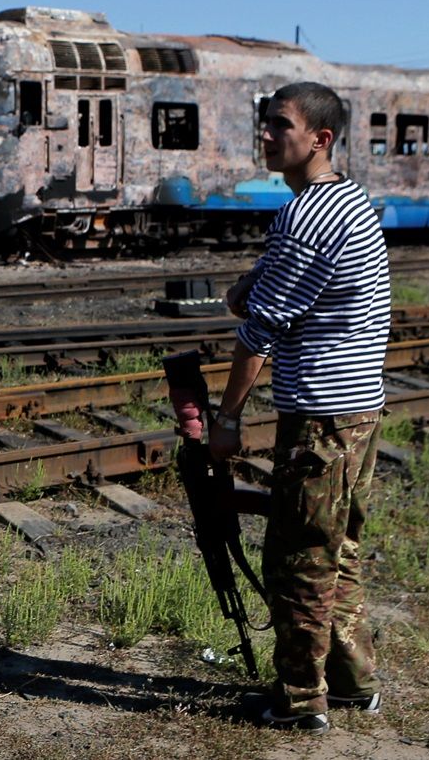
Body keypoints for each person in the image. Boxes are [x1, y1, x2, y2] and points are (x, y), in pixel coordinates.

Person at [173, 81, 390, 735]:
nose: (265, 135)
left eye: (280, 125)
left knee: (298, 558)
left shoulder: (305, 216)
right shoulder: (348, 202)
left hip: (322, 416)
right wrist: (250, 286)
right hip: (359, 410)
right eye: (264, 124)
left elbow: (257, 329)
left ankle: (300, 700)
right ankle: (354, 683)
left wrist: (227, 419)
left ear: (319, 138)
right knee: (337, 548)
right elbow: (267, 287)